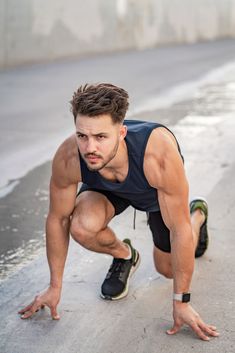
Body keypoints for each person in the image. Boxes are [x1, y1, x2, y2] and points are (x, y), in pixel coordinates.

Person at [19, 83, 219, 341]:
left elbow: (178, 230)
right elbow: (57, 220)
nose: (90, 147)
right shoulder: (70, 156)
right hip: (106, 188)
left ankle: (197, 214)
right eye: (82, 136)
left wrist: (181, 301)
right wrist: (54, 286)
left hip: (153, 194)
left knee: (167, 269)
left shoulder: (158, 155)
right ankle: (125, 256)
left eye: (101, 137)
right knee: (80, 225)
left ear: (121, 132)